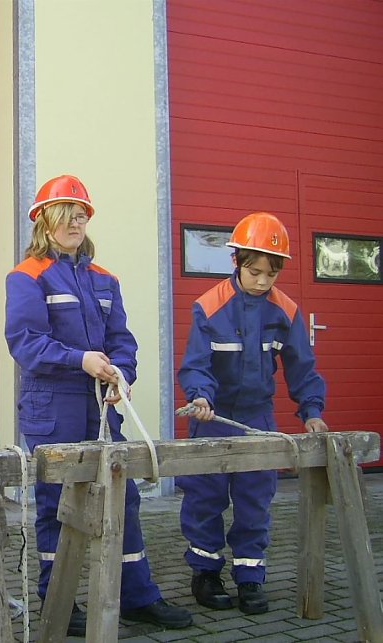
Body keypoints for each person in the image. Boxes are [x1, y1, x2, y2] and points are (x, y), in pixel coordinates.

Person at [5, 175, 193, 635]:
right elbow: (25, 343)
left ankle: (137, 596)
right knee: (57, 504)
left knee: (122, 497)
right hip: (54, 406)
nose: (75, 219)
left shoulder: (104, 279)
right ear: (44, 220)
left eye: (81, 211)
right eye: (65, 211)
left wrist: (122, 375)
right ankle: (59, 601)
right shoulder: (26, 275)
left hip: (99, 406)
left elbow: (122, 341)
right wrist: (81, 360)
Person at [177, 211, 328, 615]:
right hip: (212, 417)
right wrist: (201, 397)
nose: (262, 281)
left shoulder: (287, 312)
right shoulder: (209, 307)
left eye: (270, 274)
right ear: (236, 262)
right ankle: (206, 573)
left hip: (258, 419)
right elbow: (195, 364)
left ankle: (250, 576)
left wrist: (311, 411)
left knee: (254, 500)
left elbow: (302, 367)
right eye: (254, 271)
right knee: (205, 497)